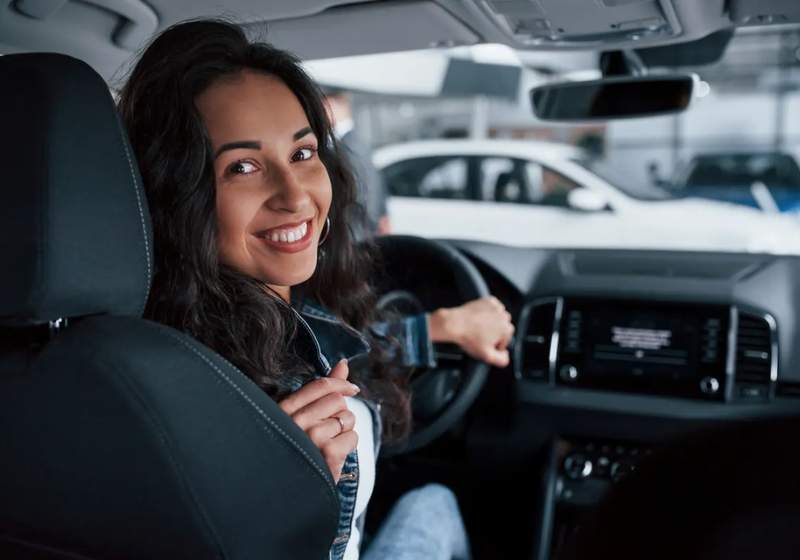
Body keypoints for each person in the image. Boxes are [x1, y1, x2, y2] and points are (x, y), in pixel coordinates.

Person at [117, 18, 513, 560]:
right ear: (174, 196)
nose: (295, 197)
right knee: (437, 503)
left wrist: (440, 328)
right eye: (244, 166)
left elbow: (344, 348)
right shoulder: (195, 405)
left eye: (302, 154)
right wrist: (282, 499)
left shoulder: (222, 325)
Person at [322, 86, 391, 237]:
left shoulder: (350, 145)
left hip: (353, 236)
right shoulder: (350, 142)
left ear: (329, 105)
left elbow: (363, 195)